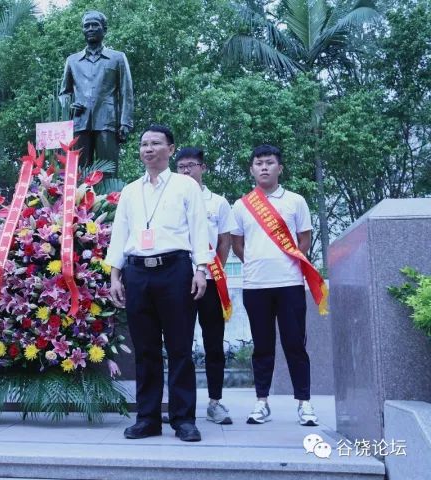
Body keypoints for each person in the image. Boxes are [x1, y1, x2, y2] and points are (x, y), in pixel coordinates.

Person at [106, 124, 210, 442]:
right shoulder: (130, 191)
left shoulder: (185, 186)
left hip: (175, 270)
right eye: (143, 144)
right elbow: (120, 233)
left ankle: (183, 419)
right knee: (146, 350)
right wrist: (114, 274)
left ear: (171, 149)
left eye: (155, 143)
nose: (148, 149)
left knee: (179, 348)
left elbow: (198, 227)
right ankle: (148, 418)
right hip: (137, 274)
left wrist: (201, 269)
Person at [230, 144, 319, 427]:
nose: (264, 167)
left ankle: (304, 403)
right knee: (262, 346)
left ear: (280, 168)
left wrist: (286, 263)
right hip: (256, 285)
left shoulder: (296, 201)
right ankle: (261, 402)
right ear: (252, 169)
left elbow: (303, 240)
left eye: (270, 162)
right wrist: (259, 262)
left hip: (290, 283)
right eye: (259, 163)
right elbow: (237, 244)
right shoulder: (242, 205)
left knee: (295, 344)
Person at [175, 147, 236, 425]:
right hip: (177, 282)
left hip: (210, 281)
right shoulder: (171, 198)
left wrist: (214, 269)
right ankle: (180, 404)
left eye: (191, 165)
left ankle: (215, 402)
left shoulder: (219, 202)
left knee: (213, 344)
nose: (186, 171)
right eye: (181, 167)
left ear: (203, 167)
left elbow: (224, 240)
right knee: (179, 345)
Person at [59, 10, 133, 175]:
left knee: (107, 172)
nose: (90, 28)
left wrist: (125, 122)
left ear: (104, 30)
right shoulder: (72, 60)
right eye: (87, 26)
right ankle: (80, 201)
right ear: (83, 31)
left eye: (95, 25)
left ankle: (109, 201)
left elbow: (126, 92)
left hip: (107, 121)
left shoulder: (118, 58)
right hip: (79, 122)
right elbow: (64, 92)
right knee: (79, 172)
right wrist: (69, 105)